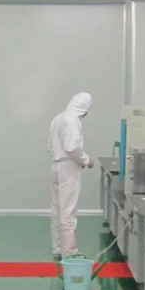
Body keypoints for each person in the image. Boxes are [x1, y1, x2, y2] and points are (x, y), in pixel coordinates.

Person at [48, 92, 95, 259]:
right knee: (68, 210)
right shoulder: (73, 120)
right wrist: (86, 160)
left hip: (55, 165)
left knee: (57, 210)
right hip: (68, 168)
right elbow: (72, 148)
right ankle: (69, 252)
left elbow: (50, 145)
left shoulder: (58, 118)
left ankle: (58, 248)